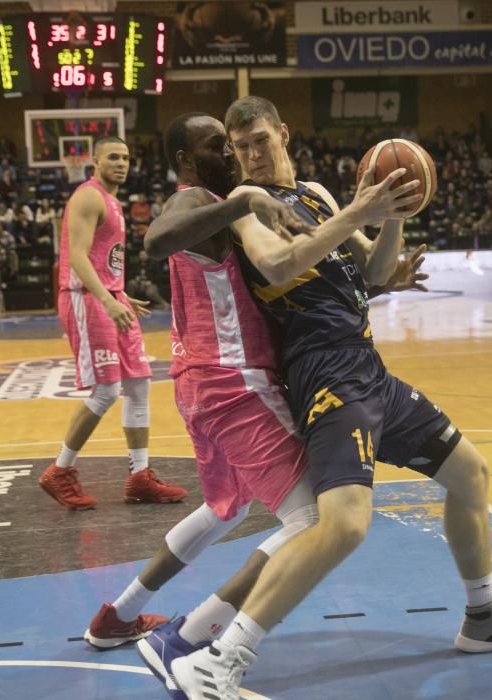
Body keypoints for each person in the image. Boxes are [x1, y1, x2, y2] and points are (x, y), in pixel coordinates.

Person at [164, 97, 492, 700]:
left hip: (368, 367)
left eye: (260, 141)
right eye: (239, 147)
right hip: (323, 376)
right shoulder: (244, 212)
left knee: (472, 475)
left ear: (284, 133)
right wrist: (358, 210)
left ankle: (483, 616)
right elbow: (277, 267)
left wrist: (391, 213)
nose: (250, 155)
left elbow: (372, 272)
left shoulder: (319, 195)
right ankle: (219, 657)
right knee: (344, 525)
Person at [84, 111, 323, 653]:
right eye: (217, 146)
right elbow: (156, 240)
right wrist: (242, 201)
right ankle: (193, 639)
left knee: (226, 508)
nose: (231, 154)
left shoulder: (218, 206)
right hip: (233, 384)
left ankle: (115, 617)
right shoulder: (195, 200)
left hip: (199, 386)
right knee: (313, 520)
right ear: (185, 162)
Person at [37, 136, 187, 510]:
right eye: (113, 157)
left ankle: (140, 476)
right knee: (106, 392)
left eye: (126, 157)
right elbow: (77, 258)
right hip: (87, 301)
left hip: (109, 297)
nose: (121, 163)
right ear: (94, 160)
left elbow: (105, 260)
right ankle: (60, 470)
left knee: (138, 385)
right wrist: (106, 297)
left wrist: (118, 293)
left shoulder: (114, 202)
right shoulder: (88, 196)